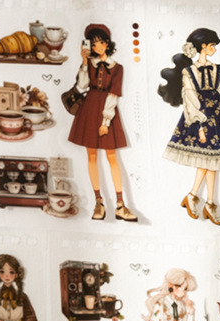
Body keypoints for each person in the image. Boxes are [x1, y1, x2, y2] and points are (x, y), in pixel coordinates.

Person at [159, 27, 220, 225]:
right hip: (201, 117)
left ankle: (207, 202)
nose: (214, 49)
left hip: (219, 116)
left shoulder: (217, 69)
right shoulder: (189, 72)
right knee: (207, 161)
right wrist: (199, 125)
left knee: (212, 162)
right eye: (212, 45)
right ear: (203, 46)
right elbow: (190, 99)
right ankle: (194, 197)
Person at [68, 24, 137, 222]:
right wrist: (83, 62)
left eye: (100, 42)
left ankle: (120, 205)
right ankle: (98, 202)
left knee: (111, 156)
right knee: (91, 156)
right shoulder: (89, 64)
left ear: (107, 43)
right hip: (89, 109)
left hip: (107, 111)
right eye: (93, 44)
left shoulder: (117, 68)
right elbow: (82, 85)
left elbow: (113, 94)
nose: (97, 47)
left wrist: (106, 121)